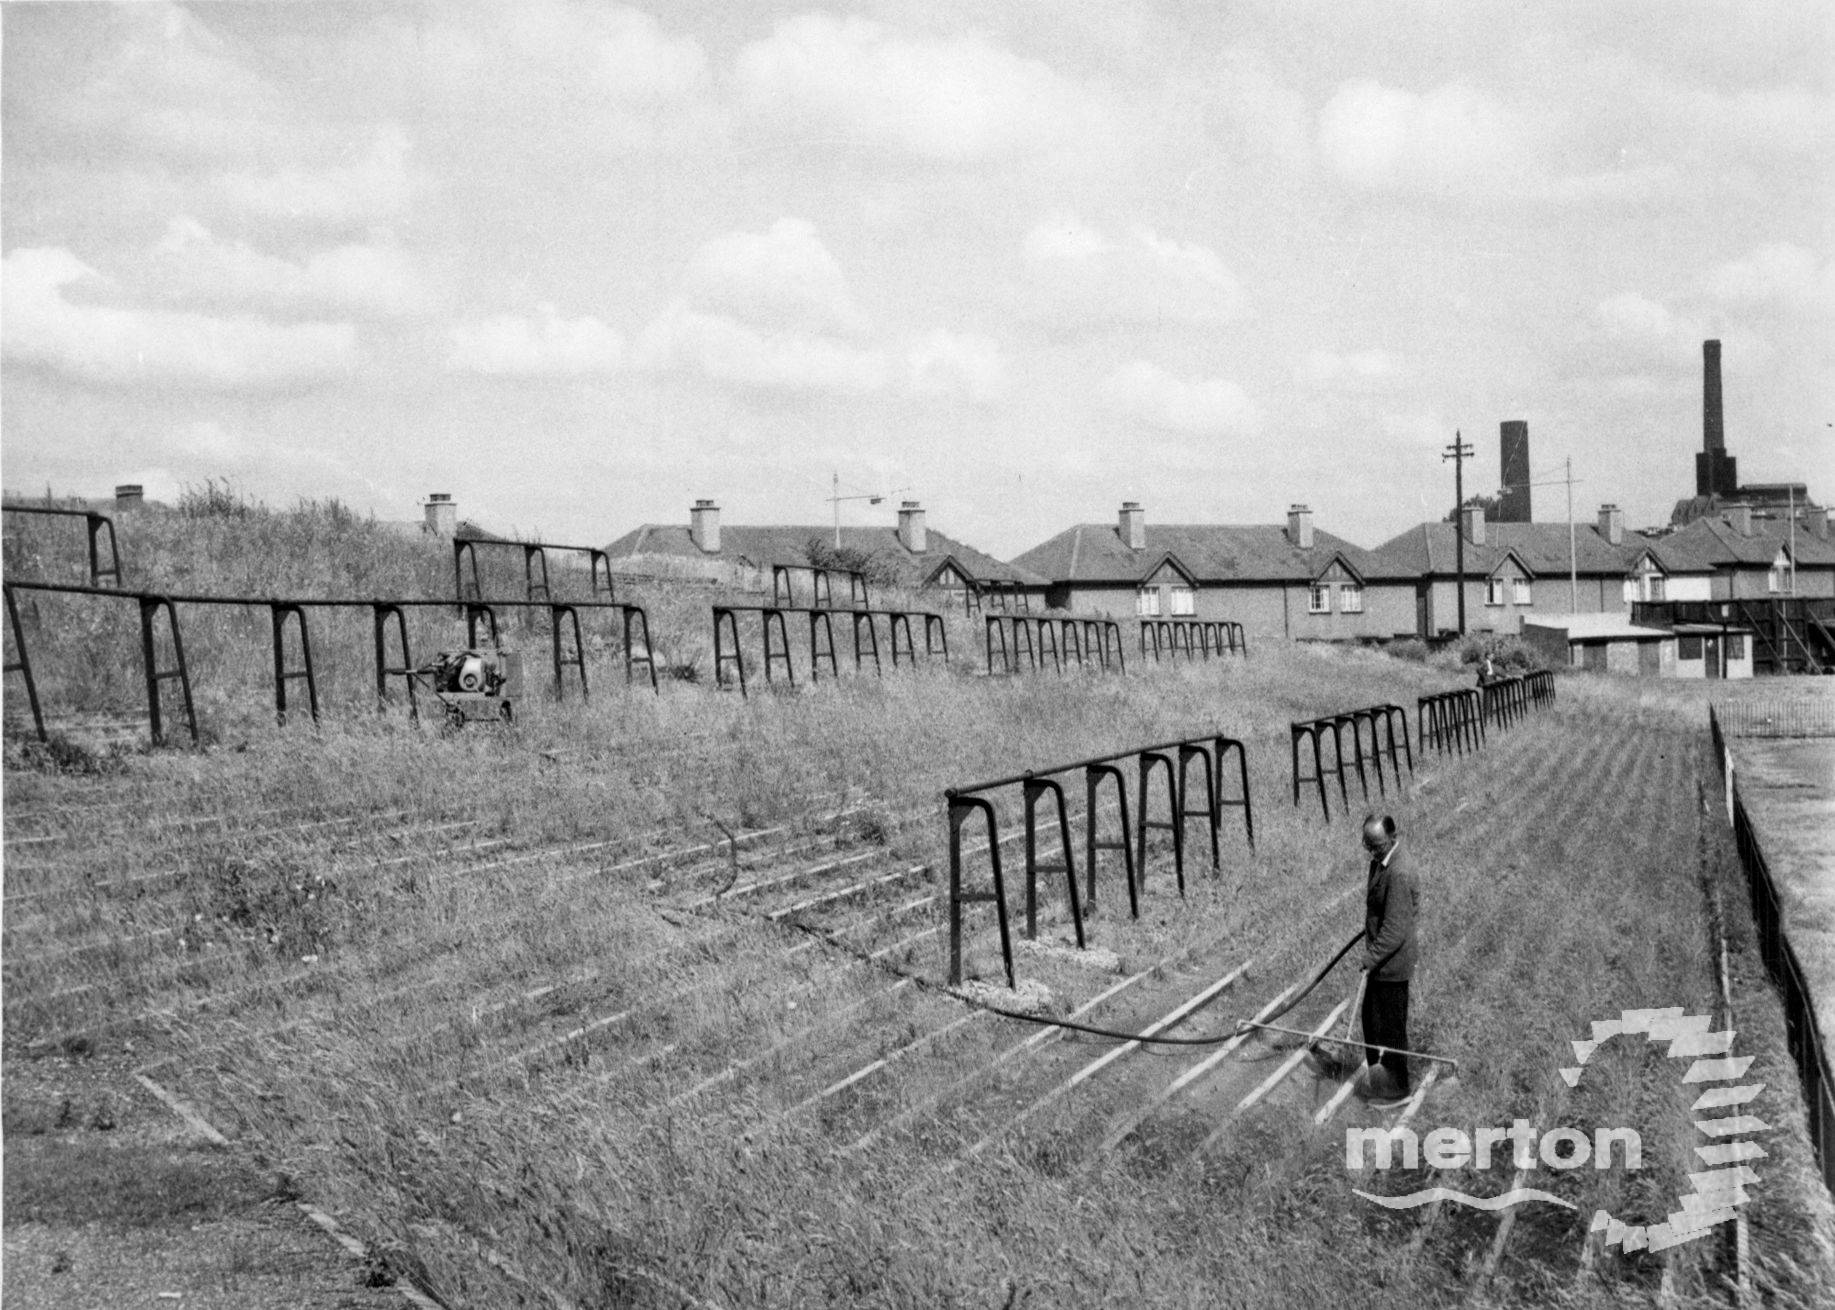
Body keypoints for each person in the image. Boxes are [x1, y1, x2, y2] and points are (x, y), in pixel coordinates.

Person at [1359, 813, 1417, 1107]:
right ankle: (1381, 1081)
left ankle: (1396, 1088)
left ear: (1393, 838)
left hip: (1391, 965)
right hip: (1382, 960)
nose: (1372, 850)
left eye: (1377, 845)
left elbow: (1395, 930)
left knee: (1389, 1029)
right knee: (1372, 1020)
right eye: (1368, 845)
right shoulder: (1384, 863)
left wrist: (1371, 958)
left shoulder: (1399, 872)